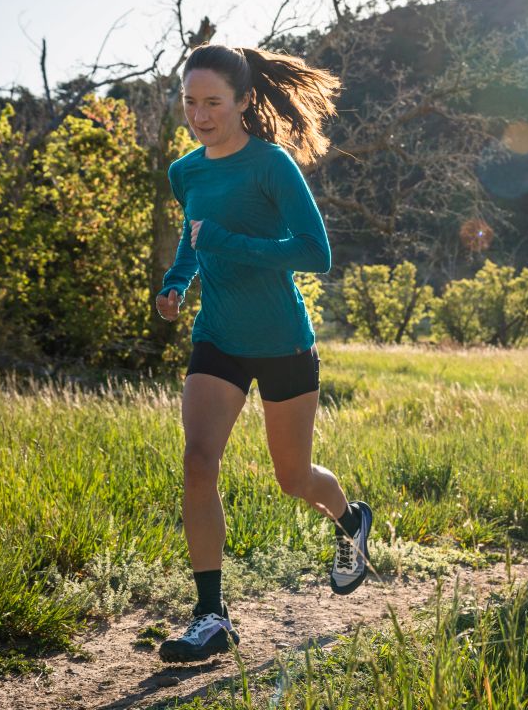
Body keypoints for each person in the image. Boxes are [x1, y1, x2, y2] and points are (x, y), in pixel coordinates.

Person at [154, 44, 373, 663]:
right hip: (218, 337)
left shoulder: (271, 166)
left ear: (244, 101)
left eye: (213, 102)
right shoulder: (186, 173)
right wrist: (177, 283)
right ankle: (211, 616)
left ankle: (350, 518)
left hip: (281, 341)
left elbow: (314, 253)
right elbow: (196, 241)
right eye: (190, 101)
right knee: (198, 461)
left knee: (292, 478)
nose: (199, 114)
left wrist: (235, 242)